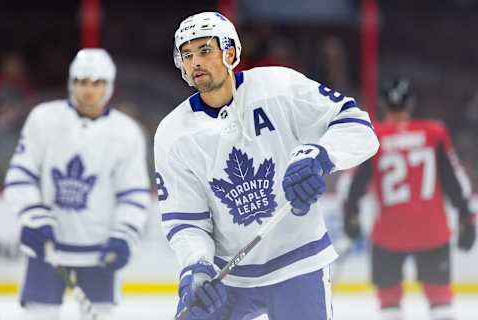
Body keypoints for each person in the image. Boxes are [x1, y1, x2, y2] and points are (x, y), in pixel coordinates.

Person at [154, 11, 379, 320]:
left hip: (297, 261)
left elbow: (359, 128)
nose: (195, 62)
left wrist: (320, 155)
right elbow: (186, 222)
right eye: (187, 55)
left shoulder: (278, 86)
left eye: (205, 50)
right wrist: (197, 266)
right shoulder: (173, 134)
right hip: (226, 277)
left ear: (230, 51)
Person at [4, 48, 151, 320]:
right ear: (72, 83)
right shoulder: (43, 119)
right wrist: (33, 218)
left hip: (99, 251)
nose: (88, 90)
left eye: (97, 83)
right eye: (82, 82)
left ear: (109, 86)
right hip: (46, 246)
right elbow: (20, 176)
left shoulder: (126, 132)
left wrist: (123, 234)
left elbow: (133, 194)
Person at [342, 78, 476, 320]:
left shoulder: (374, 136)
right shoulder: (434, 133)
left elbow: (354, 185)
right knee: (440, 303)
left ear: (383, 104)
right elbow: (455, 182)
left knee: (389, 306)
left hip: (388, 234)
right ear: (411, 104)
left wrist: (350, 214)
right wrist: (467, 216)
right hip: (432, 231)